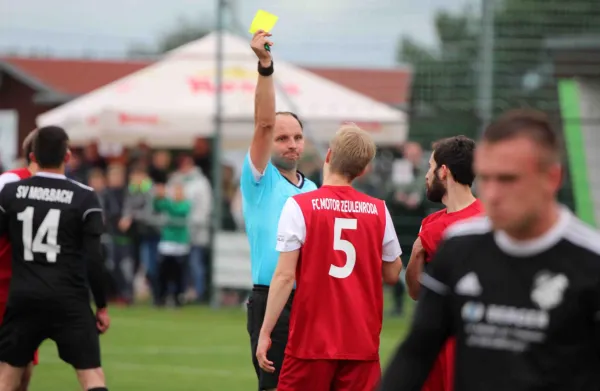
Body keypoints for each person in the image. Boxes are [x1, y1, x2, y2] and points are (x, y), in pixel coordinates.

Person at [380, 109, 600, 391]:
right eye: (486, 178)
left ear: (552, 179)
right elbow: (417, 352)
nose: (493, 194)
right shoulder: (458, 247)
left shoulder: (590, 262)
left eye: (507, 179)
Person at [256, 124, 404, 391]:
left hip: (310, 343)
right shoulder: (379, 211)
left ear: (328, 156)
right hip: (361, 343)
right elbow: (393, 273)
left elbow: (285, 276)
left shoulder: (300, 206)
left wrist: (265, 331)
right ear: (362, 170)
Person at [0, 126, 110, 391]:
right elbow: (95, 259)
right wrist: (102, 305)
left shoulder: (11, 193)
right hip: (68, 298)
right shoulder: (84, 197)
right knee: (91, 375)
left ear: (33, 155)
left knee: (7, 376)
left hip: (23, 295)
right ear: (68, 156)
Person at [242, 30, 318, 391]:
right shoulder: (259, 179)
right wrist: (265, 66)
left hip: (311, 300)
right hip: (271, 298)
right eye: (283, 138)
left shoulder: (315, 189)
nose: (292, 144)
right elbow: (264, 122)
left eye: (297, 137)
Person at [403, 135, 482, 391]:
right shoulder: (431, 225)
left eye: (430, 167)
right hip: (436, 347)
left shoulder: (488, 221)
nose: (427, 175)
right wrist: (417, 252)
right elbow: (415, 292)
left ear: (443, 171)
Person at [0, 130, 39, 391]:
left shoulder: (64, 189)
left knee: (23, 373)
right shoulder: (8, 182)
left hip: (28, 291)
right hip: (2, 286)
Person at [154, 181, 191, 307]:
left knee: (179, 274)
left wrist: (166, 200)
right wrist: (158, 196)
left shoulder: (186, 204)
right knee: (163, 272)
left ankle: (177, 297)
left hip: (180, 244)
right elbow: (157, 205)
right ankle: (161, 296)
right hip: (167, 243)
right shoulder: (167, 203)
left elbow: (178, 210)